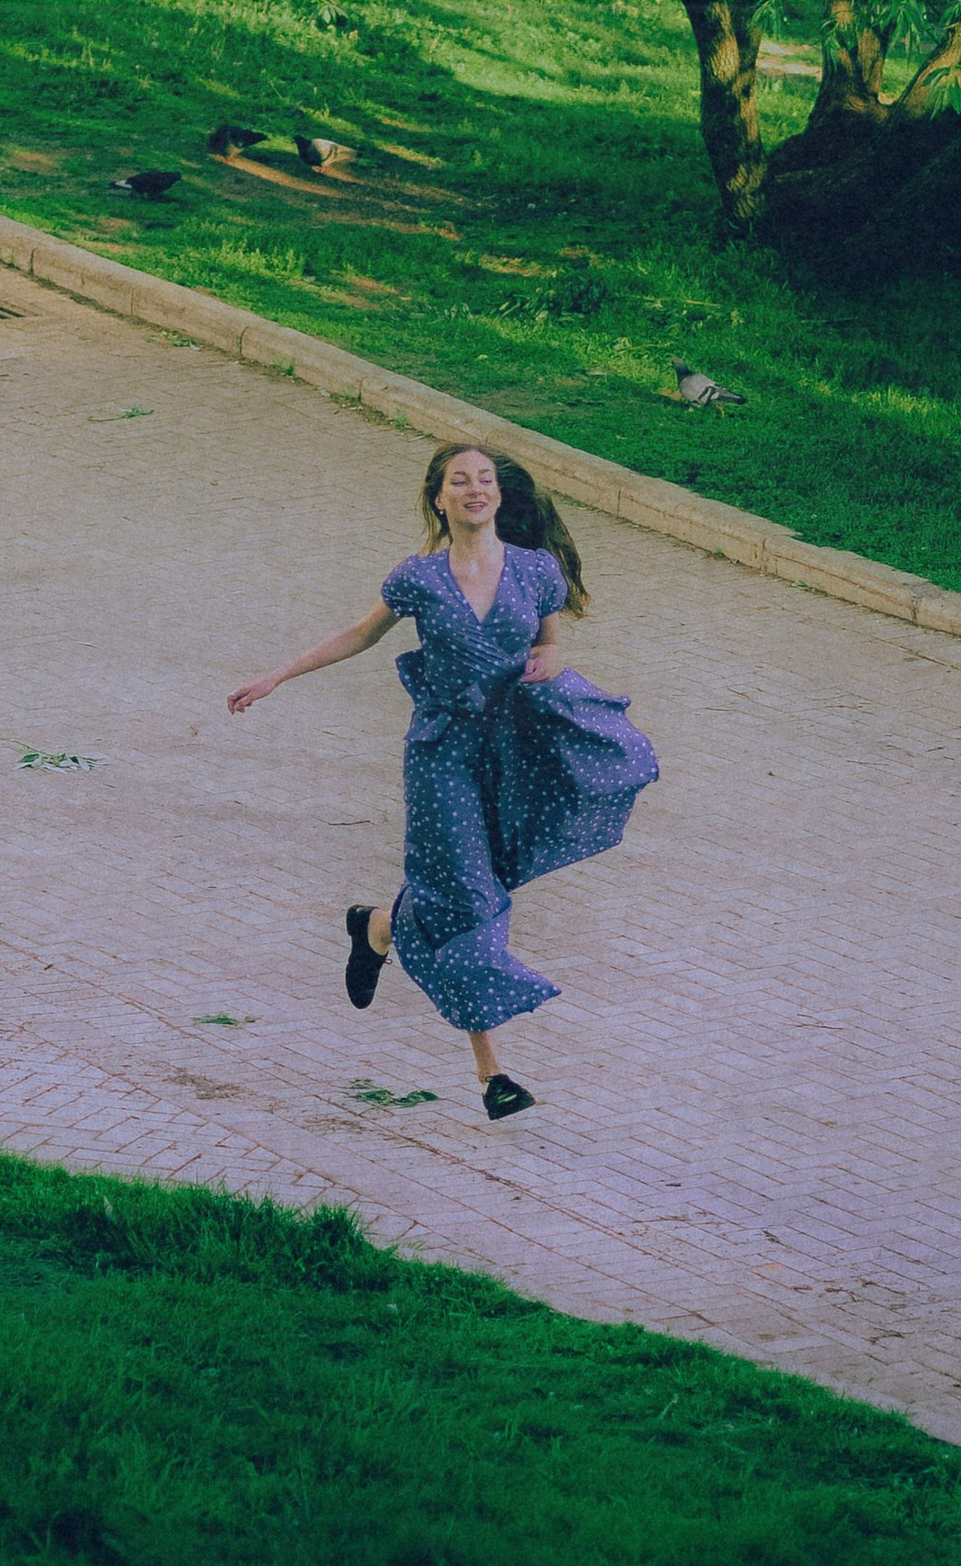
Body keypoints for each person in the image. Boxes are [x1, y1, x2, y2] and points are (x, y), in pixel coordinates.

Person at [227, 442, 657, 1120]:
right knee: (471, 901)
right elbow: (360, 635)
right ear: (440, 497)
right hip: (443, 757)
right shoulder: (419, 579)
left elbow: (547, 641)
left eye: (484, 479)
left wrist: (547, 659)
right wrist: (277, 675)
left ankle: (378, 926)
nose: (474, 488)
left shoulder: (536, 571)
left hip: (512, 752)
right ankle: (493, 1075)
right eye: (460, 480)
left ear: (498, 495)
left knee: (473, 884)